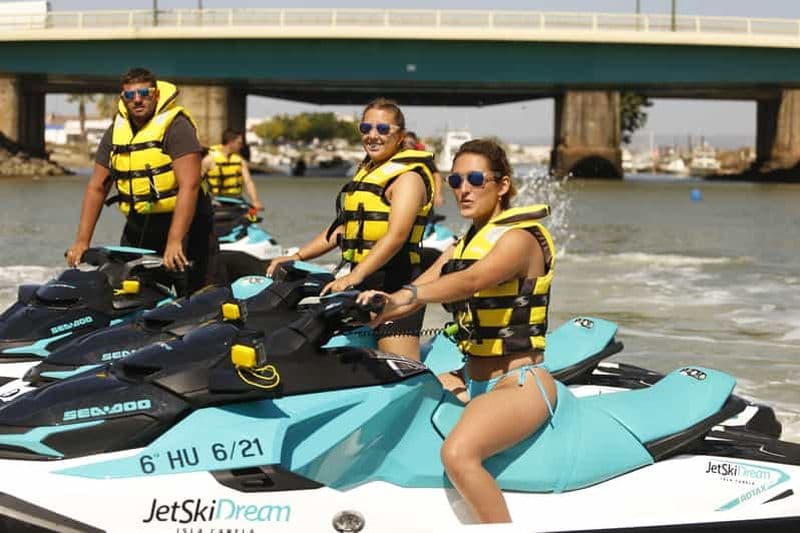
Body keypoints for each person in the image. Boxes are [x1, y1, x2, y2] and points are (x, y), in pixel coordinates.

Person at [357, 139, 558, 523]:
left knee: (457, 454)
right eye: (455, 180)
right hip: (472, 377)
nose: (463, 189)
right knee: (401, 395)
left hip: (519, 382)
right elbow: (418, 292)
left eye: (476, 178)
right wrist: (378, 306)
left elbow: (472, 280)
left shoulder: (519, 239)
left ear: (502, 185)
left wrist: (407, 296)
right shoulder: (464, 242)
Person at [267, 98, 437, 360]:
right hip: (363, 278)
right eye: (366, 128)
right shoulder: (368, 172)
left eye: (382, 129)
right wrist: (297, 257)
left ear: (400, 136)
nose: (372, 136)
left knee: (399, 368)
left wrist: (354, 275)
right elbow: (343, 231)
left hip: (397, 282)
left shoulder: (408, 178)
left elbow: (396, 236)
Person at [66, 67, 217, 296]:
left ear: (155, 95)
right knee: (130, 294)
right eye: (130, 95)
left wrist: (175, 241)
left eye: (144, 93)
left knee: (195, 299)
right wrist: (81, 241)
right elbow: (97, 187)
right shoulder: (116, 131)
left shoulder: (177, 127)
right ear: (123, 98)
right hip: (140, 225)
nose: (137, 100)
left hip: (189, 227)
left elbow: (190, 185)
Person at [201, 128, 263, 211]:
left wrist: (255, 201)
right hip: (215, 201)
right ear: (231, 142)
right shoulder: (209, 160)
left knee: (250, 218)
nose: (242, 146)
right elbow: (197, 182)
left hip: (235, 201)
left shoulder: (240, 161)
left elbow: (248, 182)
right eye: (239, 143)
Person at [405, 131, 444, 208]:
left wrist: (438, 194)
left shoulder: (423, 158)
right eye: (405, 143)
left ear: (415, 144)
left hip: (422, 196)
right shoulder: (396, 156)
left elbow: (437, 175)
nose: (407, 145)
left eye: (410, 143)